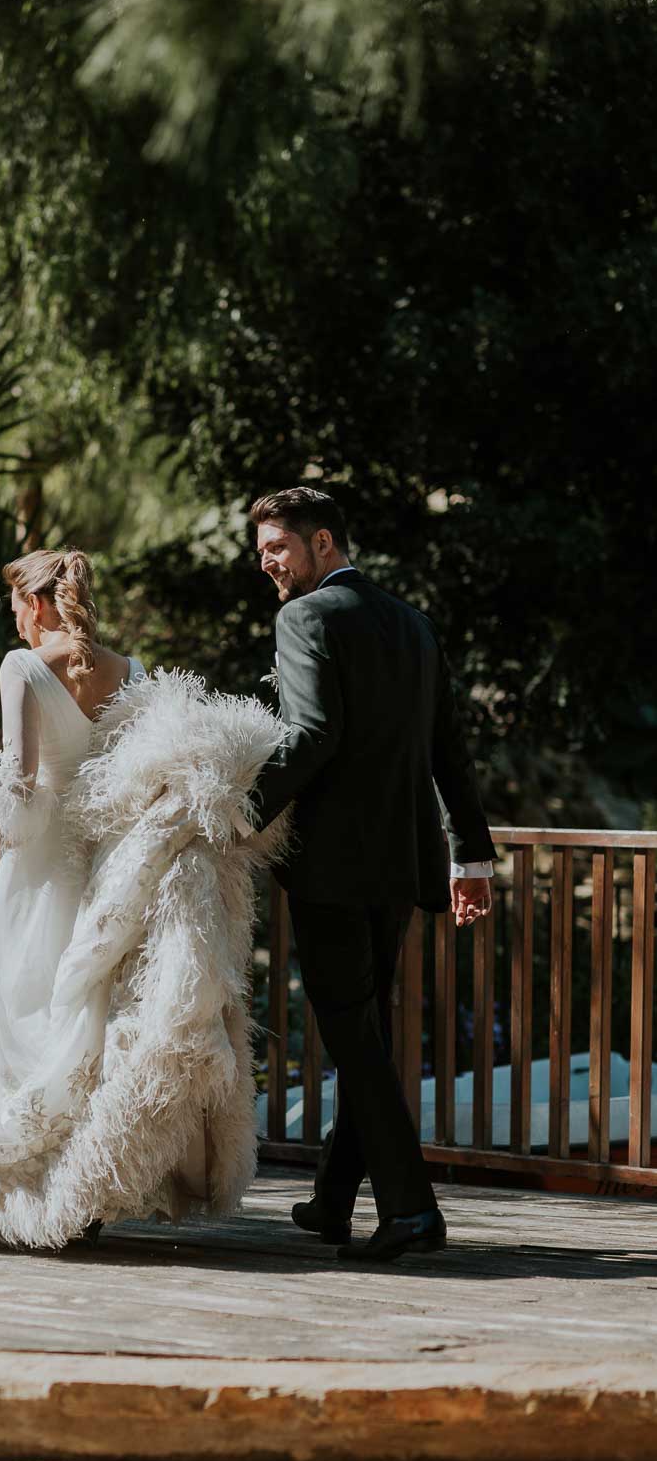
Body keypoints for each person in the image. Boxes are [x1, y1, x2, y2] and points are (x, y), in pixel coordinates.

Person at [0, 547, 291, 1247]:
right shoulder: (132, 670)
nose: (13, 618)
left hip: (31, 864)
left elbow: (21, 782)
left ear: (34, 604)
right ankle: (79, 1186)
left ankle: (15, 1187)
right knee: (87, 1011)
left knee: (9, 1005)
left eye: (13, 604)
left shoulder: (23, 666)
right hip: (100, 865)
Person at [248, 486, 496, 1264]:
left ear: (324, 543)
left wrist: (232, 814)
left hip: (330, 864)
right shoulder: (412, 624)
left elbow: (313, 734)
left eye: (278, 550)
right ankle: (330, 1200)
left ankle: (411, 1211)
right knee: (367, 1031)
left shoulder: (304, 618)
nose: (268, 568)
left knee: (352, 1036)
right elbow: (449, 750)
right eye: (260, 555)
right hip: (401, 861)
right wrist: (473, 856)